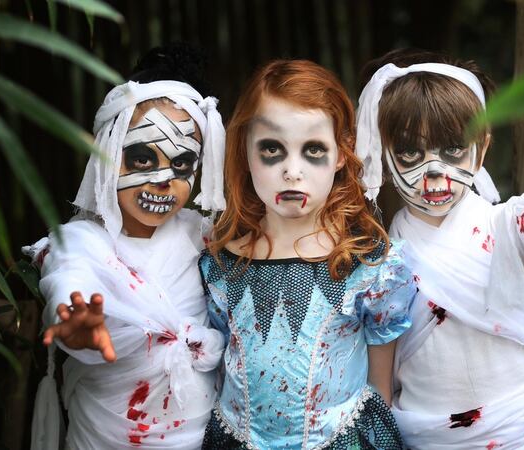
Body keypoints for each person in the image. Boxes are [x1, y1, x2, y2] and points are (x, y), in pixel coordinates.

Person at [355, 48, 524, 449]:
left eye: (453, 149)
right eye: (410, 153)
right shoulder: (385, 257)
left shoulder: (499, 225)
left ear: (482, 150)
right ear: (384, 156)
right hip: (431, 438)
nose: (434, 171)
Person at [198, 59, 417, 449]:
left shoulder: (368, 263)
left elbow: (379, 392)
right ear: (245, 153)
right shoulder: (219, 264)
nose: (292, 171)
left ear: (340, 154)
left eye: (313, 149)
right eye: (271, 149)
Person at [24, 44, 226, 450]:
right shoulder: (79, 240)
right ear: (108, 152)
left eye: (182, 164)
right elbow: (68, 277)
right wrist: (76, 317)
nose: (164, 179)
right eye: (141, 159)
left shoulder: (203, 236)